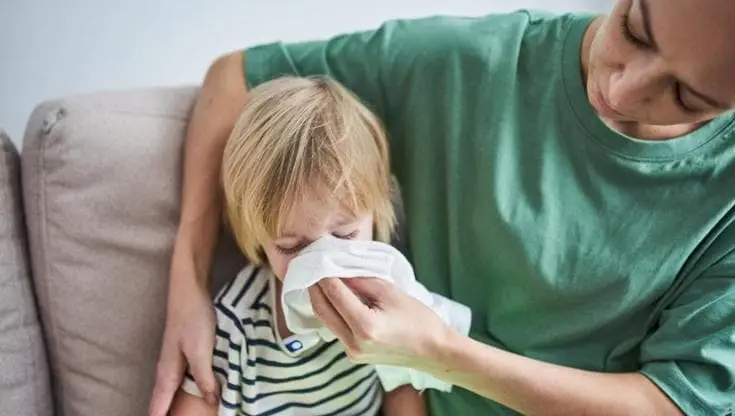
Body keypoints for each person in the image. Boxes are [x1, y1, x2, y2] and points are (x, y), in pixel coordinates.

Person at [150, 0, 735, 414]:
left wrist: (436, 352)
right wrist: (186, 281)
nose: (622, 91)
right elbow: (235, 77)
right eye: (635, 30)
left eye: (686, 96)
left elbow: (675, 404)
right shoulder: (470, 63)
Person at [167, 76, 427, 415]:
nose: (323, 264)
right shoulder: (237, 323)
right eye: (292, 247)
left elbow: (404, 387)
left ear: (376, 212)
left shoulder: (387, 297)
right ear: (257, 237)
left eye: (345, 235)